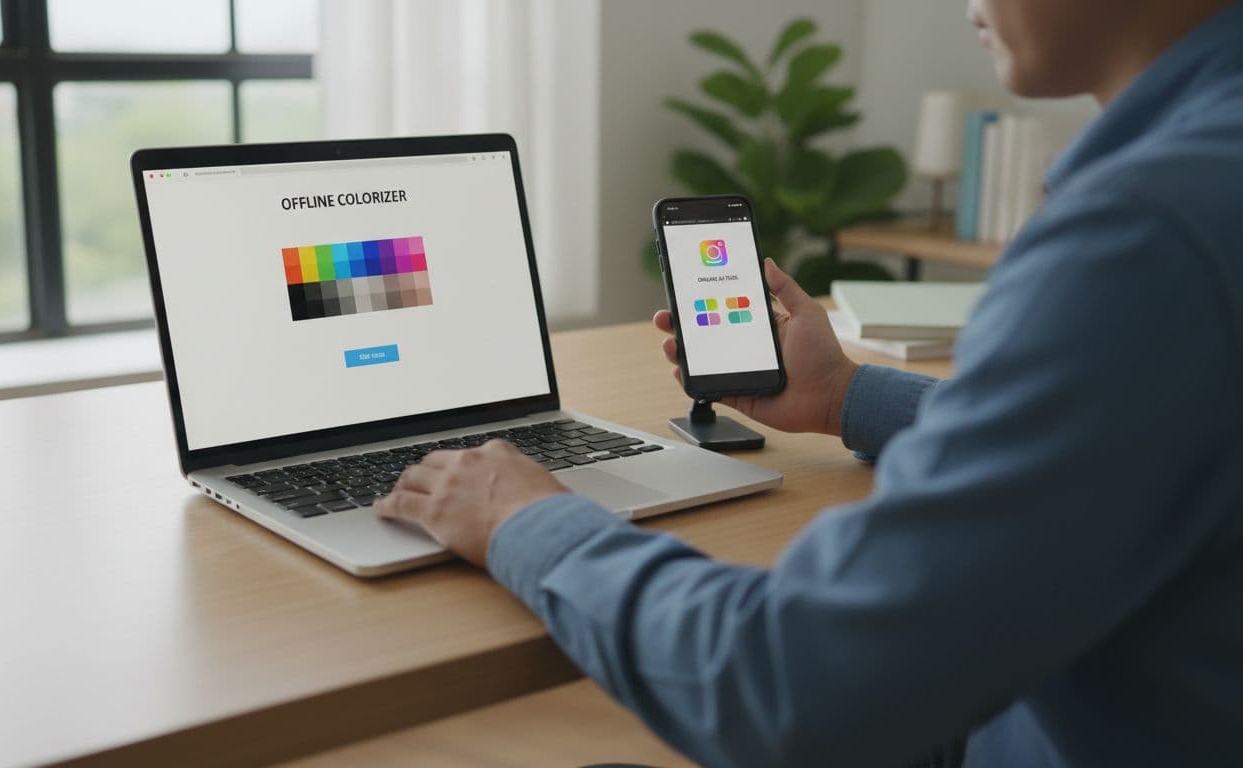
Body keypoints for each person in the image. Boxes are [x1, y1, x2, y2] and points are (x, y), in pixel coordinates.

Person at [375, 0, 1243, 764]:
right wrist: (844, 397)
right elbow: (1128, 441)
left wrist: (525, 519)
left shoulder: (1145, 235)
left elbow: (797, 686)